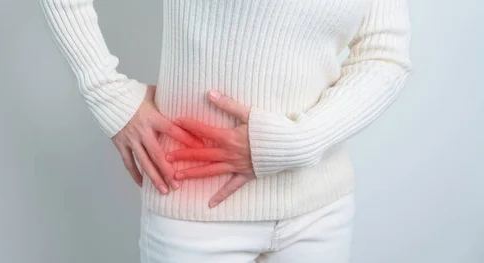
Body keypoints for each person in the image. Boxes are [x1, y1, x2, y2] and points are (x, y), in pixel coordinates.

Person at [39, 0, 413, 262]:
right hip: (197, 214)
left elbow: (384, 52)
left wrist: (298, 142)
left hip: (321, 210)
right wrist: (107, 95)